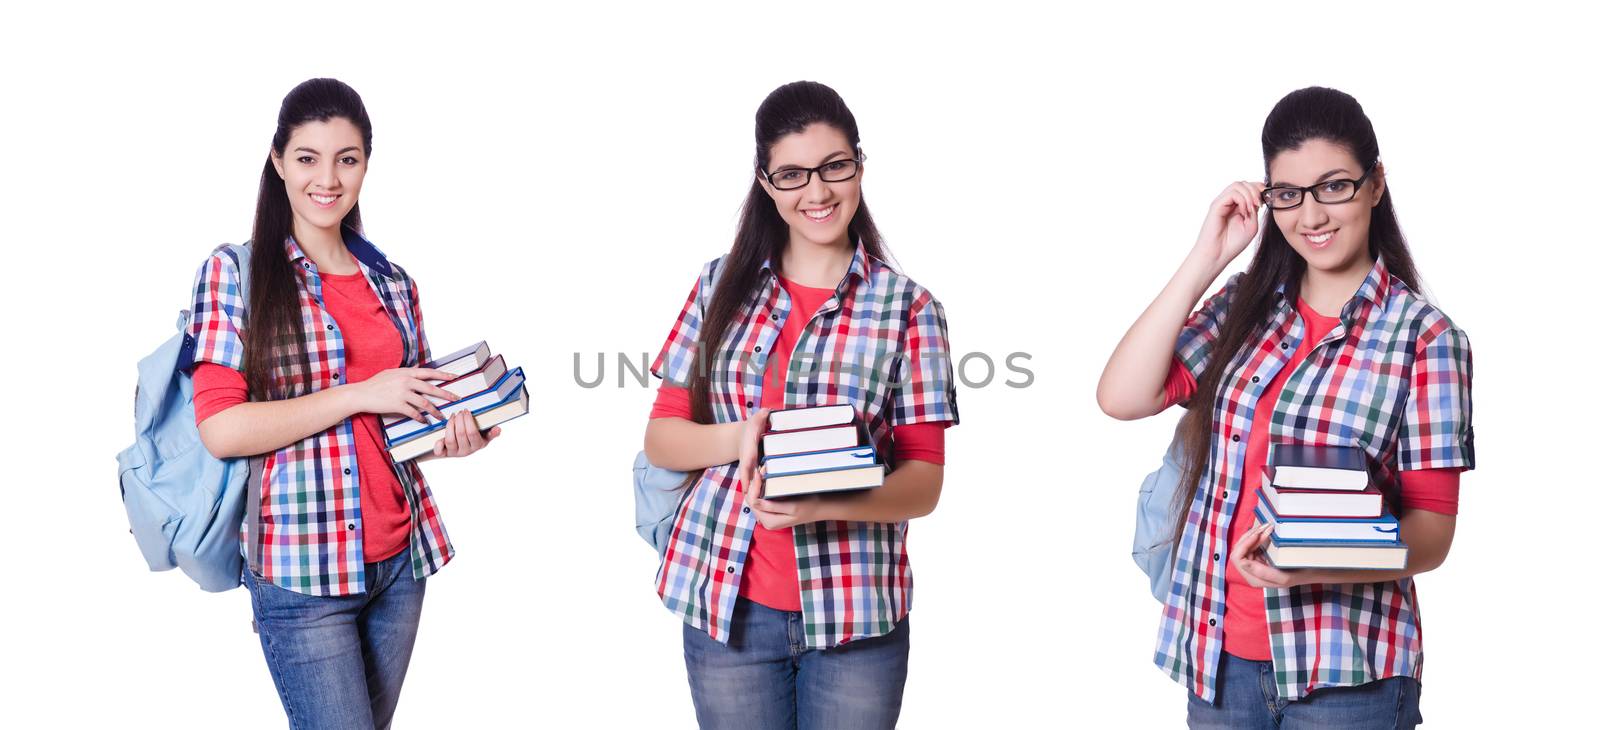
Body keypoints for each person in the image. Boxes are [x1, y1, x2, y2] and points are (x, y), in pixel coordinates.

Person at [1097, 86, 1473, 728]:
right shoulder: (1245, 308)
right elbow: (1122, 397)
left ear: (1376, 184)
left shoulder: (1428, 341)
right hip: (1219, 664)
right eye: (1288, 194)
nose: (1311, 215)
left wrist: (1308, 565)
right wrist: (1207, 257)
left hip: (1348, 679)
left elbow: (1432, 535)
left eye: (1333, 187)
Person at [643, 80, 959, 730]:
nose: (816, 192)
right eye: (792, 174)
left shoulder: (910, 310)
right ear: (765, 182)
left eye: (834, 167)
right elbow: (663, 438)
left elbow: (924, 483)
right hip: (728, 604)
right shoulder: (717, 286)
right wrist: (743, 438)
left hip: (857, 617)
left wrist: (821, 505)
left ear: (860, 167)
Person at [188, 77, 498, 728]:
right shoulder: (236, 273)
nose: (327, 178)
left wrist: (458, 429)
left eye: (346, 158)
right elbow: (221, 427)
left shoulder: (393, 283)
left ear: (365, 164)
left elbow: (397, 419)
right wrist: (360, 392)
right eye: (307, 157)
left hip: (401, 563)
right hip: (302, 575)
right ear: (278, 162)